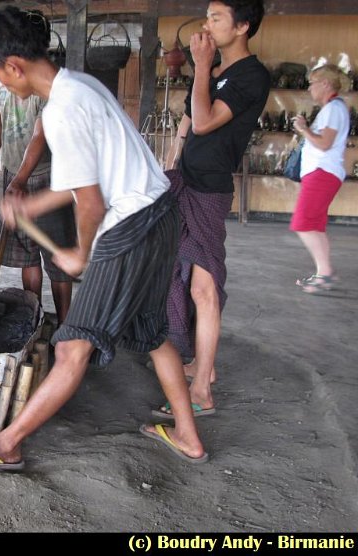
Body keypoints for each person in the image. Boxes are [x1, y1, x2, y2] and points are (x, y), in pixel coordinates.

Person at [0, 6, 207, 471]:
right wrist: (30, 205)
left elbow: (90, 204)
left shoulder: (62, 111)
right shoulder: (79, 86)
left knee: (72, 344)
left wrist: (80, 254)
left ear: (15, 66)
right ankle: (187, 434)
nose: (3, 86)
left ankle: (8, 443)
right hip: (160, 213)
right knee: (150, 331)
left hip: (131, 227)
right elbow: (79, 181)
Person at [156, 0, 270, 419]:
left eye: (216, 18)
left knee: (203, 287)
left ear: (242, 27)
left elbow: (205, 121)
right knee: (176, 274)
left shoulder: (251, 76)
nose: (206, 25)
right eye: (207, 16)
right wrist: (172, 155)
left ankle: (201, 388)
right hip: (185, 180)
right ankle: (199, 363)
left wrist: (202, 64)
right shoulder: (216, 72)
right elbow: (189, 118)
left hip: (209, 190)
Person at [0, 70, 75, 323]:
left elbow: (39, 135)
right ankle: (33, 319)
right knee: (27, 255)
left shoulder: (42, 83)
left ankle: (64, 330)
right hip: (13, 175)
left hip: (48, 176)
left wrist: (20, 180)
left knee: (58, 259)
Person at [290, 64, 350, 293]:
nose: (310, 89)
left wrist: (304, 129)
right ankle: (324, 272)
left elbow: (324, 143)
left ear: (325, 84)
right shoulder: (333, 109)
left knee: (303, 223)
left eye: (312, 83)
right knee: (314, 224)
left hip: (322, 172)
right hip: (321, 173)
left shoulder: (333, 109)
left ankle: (324, 273)